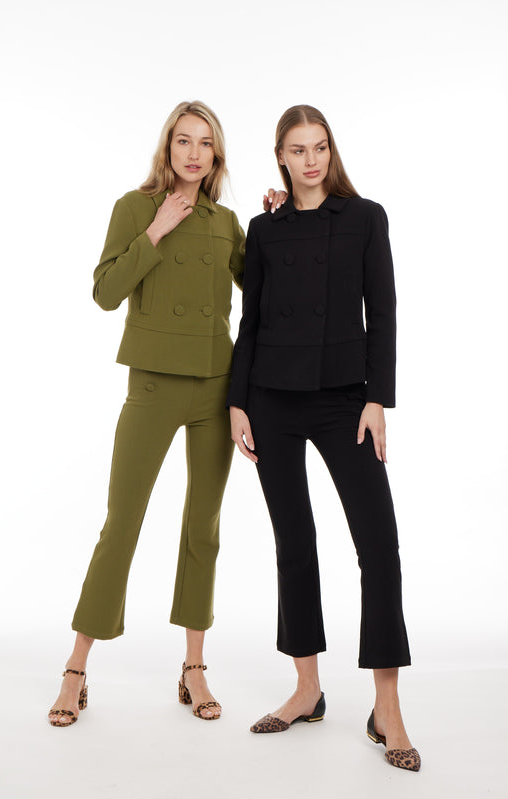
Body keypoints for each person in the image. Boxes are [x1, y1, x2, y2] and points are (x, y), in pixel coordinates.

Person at [48, 100, 285, 727]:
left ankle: (194, 667)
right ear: (168, 147)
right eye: (184, 140)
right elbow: (104, 293)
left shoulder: (225, 221)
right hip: (152, 385)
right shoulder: (134, 207)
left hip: (214, 387)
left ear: (216, 155)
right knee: (121, 523)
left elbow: (263, 287)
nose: (194, 152)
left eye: (205, 143)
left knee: (202, 526)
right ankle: (76, 667)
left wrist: (276, 224)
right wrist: (154, 231)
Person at [228, 105, 420, 771]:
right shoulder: (264, 227)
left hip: (344, 400)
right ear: (280, 157)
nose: (310, 160)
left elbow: (382, 309)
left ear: (330, 152)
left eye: (319, 148)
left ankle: (386, 705)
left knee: (378, 545)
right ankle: (306, 689)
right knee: (294, 542)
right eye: (297, 150)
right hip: (271, 399)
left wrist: (376, 399)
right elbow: (251, 321)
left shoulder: (365, 217)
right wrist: (237, 402)